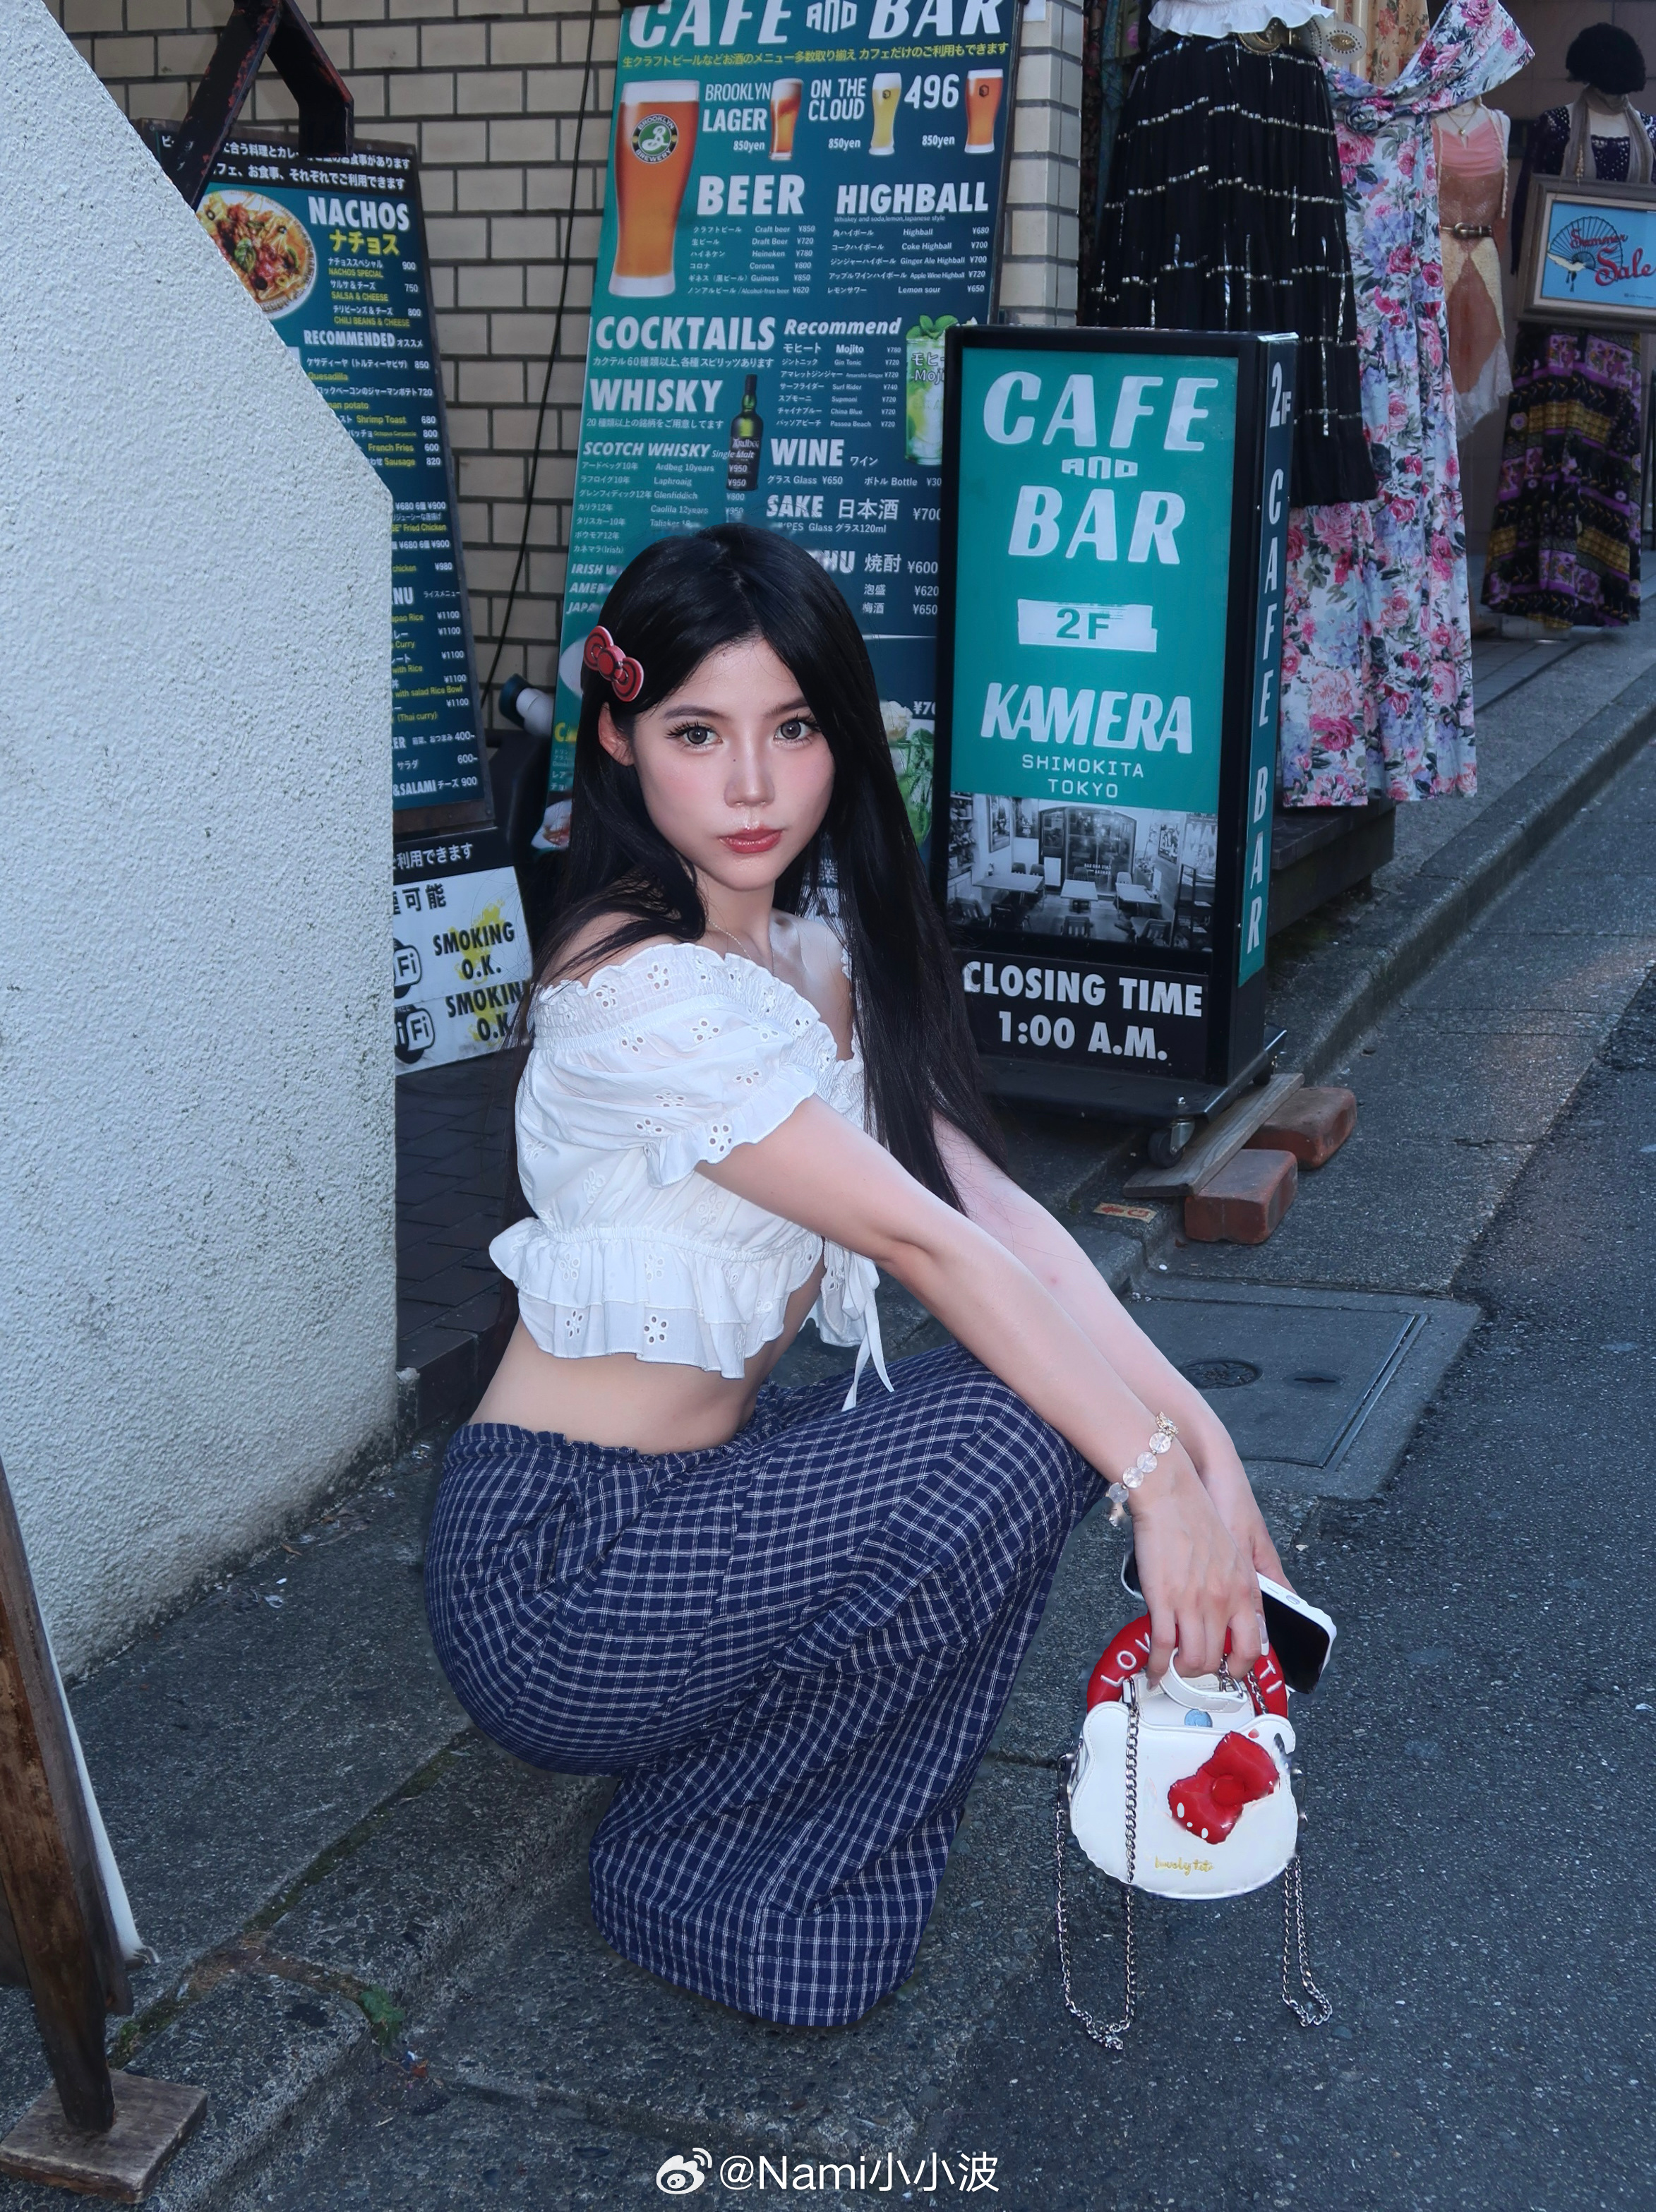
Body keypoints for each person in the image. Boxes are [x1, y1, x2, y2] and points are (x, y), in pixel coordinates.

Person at [424, 526, 1287, 2028]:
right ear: (619, 739)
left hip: (697, 1500)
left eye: (794, 728)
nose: (753, 785)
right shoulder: (633, 984)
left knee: (1036, 1411)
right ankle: (704, 1870)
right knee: (1015, 1428)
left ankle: (731, 1808)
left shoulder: (812, 958)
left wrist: (1208, 1454)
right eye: (698, 733)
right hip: (557, 1570)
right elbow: (920, 1244)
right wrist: (1151, 1482)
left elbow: (1000, 1220)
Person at [1483, 21, 1654, 630]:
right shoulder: (1559, 126)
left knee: (1594, 445)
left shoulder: (1646, 132)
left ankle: (1588, 596)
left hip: (1611, 322)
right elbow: (1530, 212)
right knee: (1555, 443)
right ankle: (1544, 596)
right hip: (1559, 318)